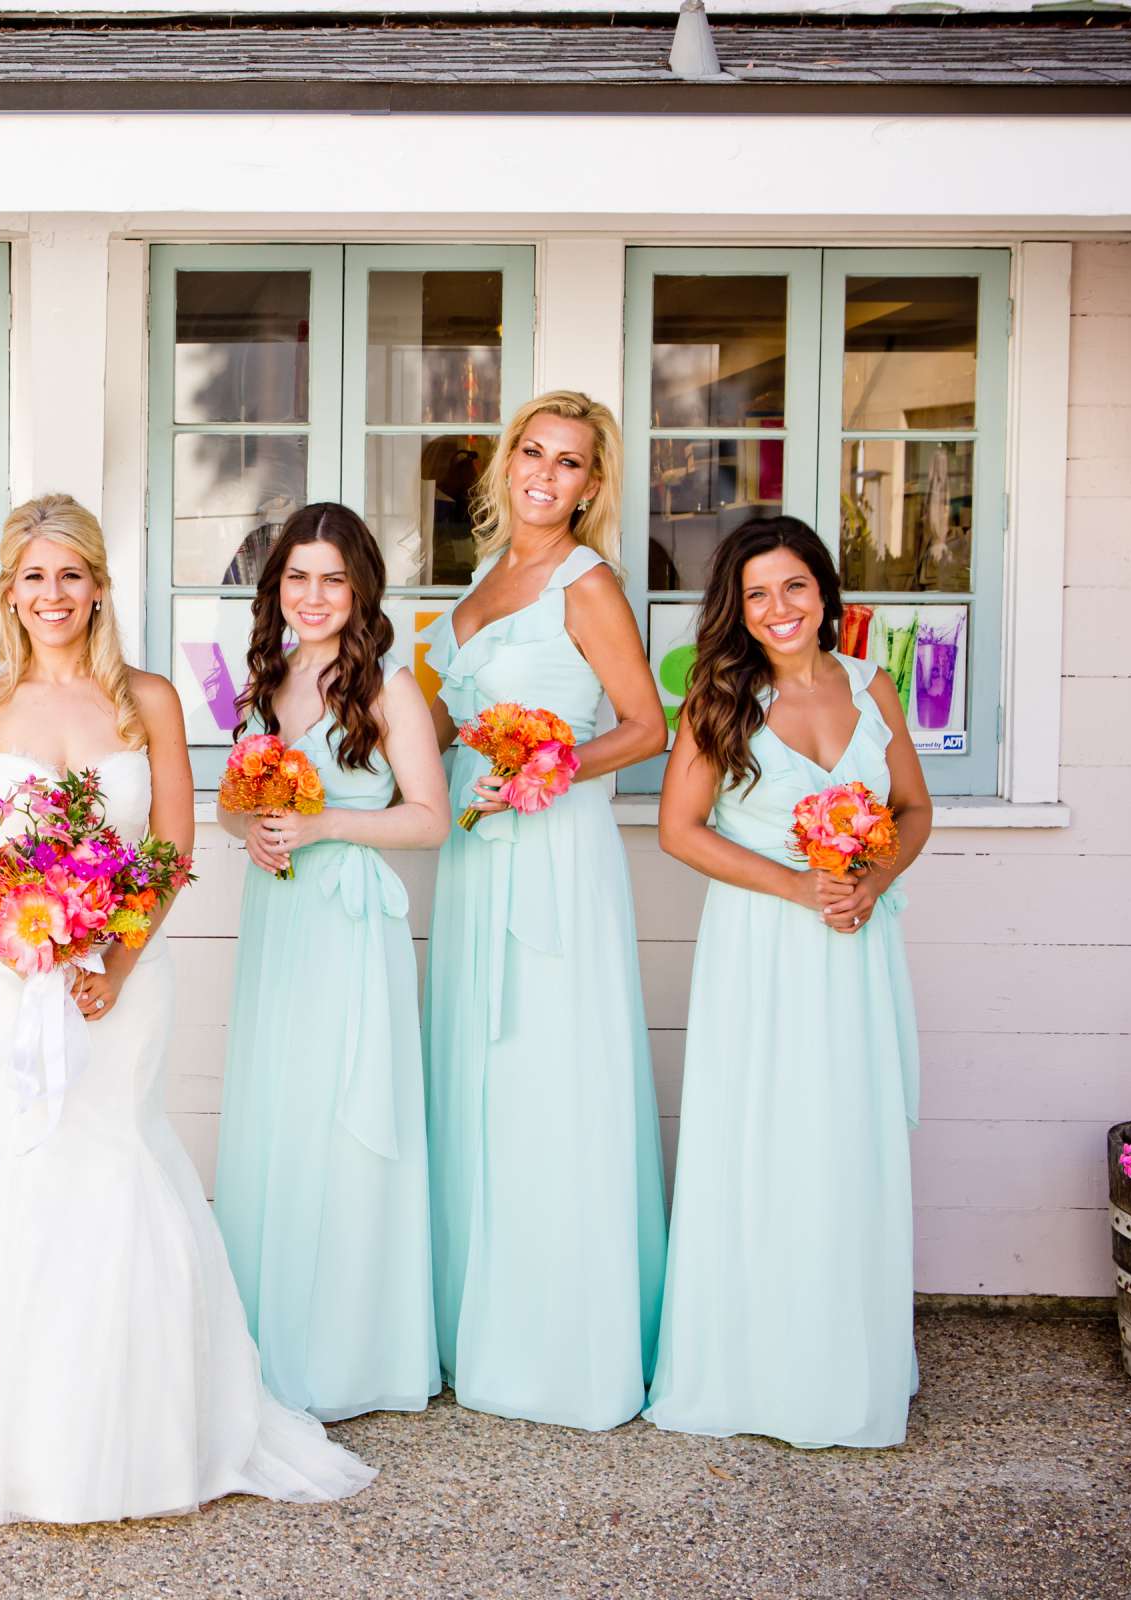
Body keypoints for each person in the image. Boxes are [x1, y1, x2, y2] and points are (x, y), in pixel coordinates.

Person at [0, 494, 376, 1525]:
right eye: (33, 577)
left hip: (120, 975)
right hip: (9, 974)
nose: (53, 594)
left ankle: (141, 1432)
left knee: (116, 1156)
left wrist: (118, 961)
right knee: (26, 1156)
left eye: (71, 574)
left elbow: (175, 846)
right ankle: (0, 1432)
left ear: (98, 584)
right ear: (10, 591)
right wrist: (15, 940)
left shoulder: (147, 699)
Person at [416, 390, 670, 1432]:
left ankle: (561, 1345)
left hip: (554, 857)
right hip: (478, 857)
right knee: (482, 1073)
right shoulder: (486, 580)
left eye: (571, 462)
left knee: (548, 1073)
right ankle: (480, 1319)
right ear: (506, 460)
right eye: (534, 451)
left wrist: (550, 769)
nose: (546, 473)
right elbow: (429, 722)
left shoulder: (586, 582)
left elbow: (648, 724)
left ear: (592, 486)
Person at [648, 516, 930, 1449]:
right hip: (762, 949)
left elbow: (912, 809)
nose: (779, 610)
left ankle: (844, 1363)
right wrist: (799, 885)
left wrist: (870, 881)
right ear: (737, 606)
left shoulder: (873, 684)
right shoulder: (719, 696)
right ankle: (750, 1367)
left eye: (796, 588)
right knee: (763, 1136)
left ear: (825, 593)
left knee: (845, 1137)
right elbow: (681, 830)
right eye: (758, 593)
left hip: (854, 948)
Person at [213, 503, 451, 1422]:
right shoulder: (263, 681)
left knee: (347, 1120)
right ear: (276, 590)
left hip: (351, 928)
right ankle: (274, 1344)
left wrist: (321, 828)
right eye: (296, 578)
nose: (312, 597)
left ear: (360, 592)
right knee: (283, 1115)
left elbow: (428, 819)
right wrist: (257, 835)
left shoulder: (388, 692)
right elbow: (236, 805)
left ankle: (355, 1354)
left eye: (332, 580)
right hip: (279, 920)